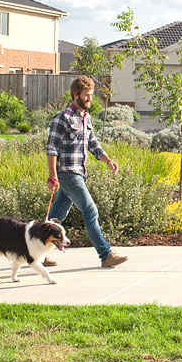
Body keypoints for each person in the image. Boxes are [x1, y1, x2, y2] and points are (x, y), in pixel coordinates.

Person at [45, 76, 128, 268]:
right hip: (68, 174)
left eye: (91, 95)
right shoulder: (62, 118)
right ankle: (105, 254)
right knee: (90, 210)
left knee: (56, 216)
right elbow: (51, 149)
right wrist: (52, 176)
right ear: (76, 95)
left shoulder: (86, 117)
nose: (91, 99)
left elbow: (92, 143)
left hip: (79, 173)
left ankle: (38, 252)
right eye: (87, 95)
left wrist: (108, 160)